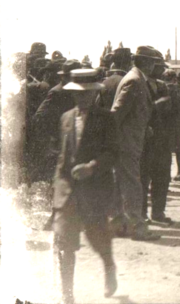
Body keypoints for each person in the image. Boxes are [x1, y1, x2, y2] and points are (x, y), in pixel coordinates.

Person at [52, 69, 119, 304]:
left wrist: (92, 166)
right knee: (65, 243)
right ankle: (67, 295)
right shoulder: (66, 118)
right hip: (68, 191)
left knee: (97, 236)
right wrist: (57, 196)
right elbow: (63, 158)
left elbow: (113, 153)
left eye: (88, 93)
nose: (83, 98)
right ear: (72, 94)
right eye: (79, 94)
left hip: (95, 188)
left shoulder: (106, 118)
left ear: (95, 94)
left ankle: (109, 266)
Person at [110, 45, 160, 241]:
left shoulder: (136, 78)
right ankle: (137, 228)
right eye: (153, 63)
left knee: (119, 184)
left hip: (128, 141)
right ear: (146, 63)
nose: (154, 67)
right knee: (132, 185)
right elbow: (117, 113)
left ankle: (117, 224)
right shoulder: (134, 81)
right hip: (126, 143)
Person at [140, 57, 174, 224]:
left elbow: (170, 112)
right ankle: (141, 214)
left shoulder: (163, 87)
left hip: (162, 139)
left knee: (162, 177)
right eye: (158, 67)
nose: (161, 70)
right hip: (145, 139)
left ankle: (158, 212)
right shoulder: (139, 84)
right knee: (143, 177)